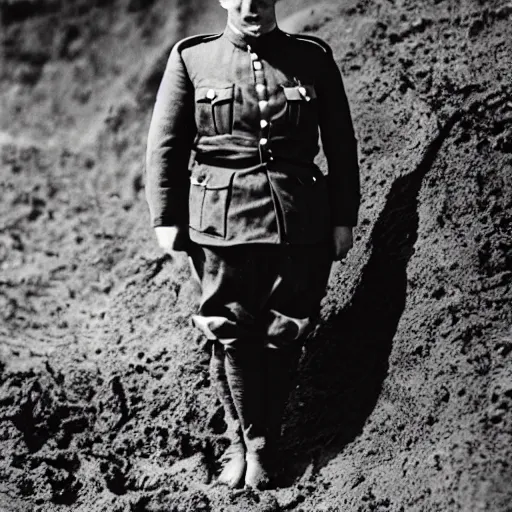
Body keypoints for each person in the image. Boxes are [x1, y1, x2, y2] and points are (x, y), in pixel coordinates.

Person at [145, 0, 360, 490]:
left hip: (299, 219)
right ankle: (248, 446)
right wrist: (166, 215)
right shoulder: (192, 58)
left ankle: (257, 443)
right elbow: (167, 144)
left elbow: (341, 142)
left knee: (285, 329)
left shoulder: (311, 57)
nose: (250, 8)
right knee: (229, 328)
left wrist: (343, 216)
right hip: (221, 220)